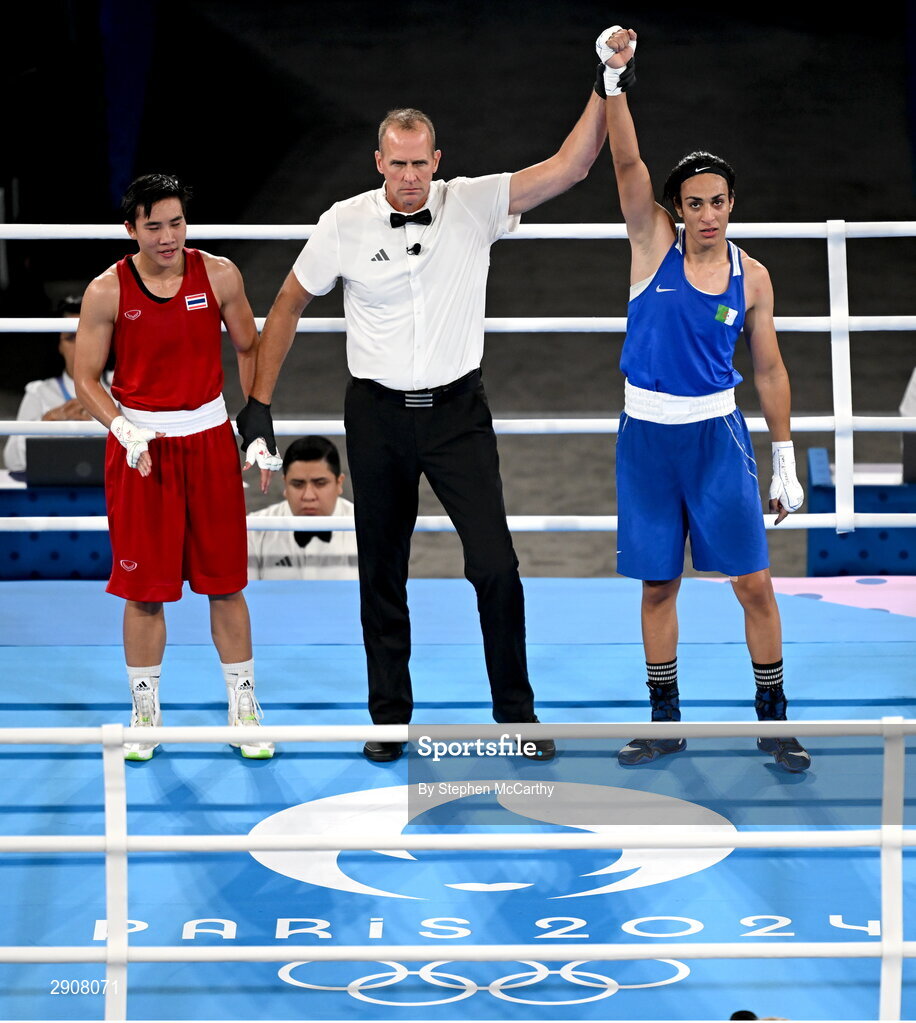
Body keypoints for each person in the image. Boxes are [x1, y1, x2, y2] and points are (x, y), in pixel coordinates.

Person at [237, 92, 608, 763]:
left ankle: (516, 714)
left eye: (421, 164)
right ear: (379, 162)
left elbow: (572, 166)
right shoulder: (344, 222)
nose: (410, 175)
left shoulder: (472, 202)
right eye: (398, 163)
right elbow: (288, 303)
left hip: (458, 413)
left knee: (496, 564)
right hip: (377, 416)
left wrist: (607, 84)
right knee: (382, 570)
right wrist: (259, 402)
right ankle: (388, 718)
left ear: (438, 163)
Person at [597, 26, 809, 772]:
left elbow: (772, 369)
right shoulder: (652, 244)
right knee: (660, 583)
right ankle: (663, 720)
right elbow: (626, 161)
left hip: (717, 437)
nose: (709, 214)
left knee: (753, 582)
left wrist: (784, 455)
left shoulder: (753, 276)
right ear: (676, 208)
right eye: (695, 203)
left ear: (731, 203)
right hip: (648, 439)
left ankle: (776, 722)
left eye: (719, 201)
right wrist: (613, 82)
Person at [73, 173, 275, 761]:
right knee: (143, 592)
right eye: (154, 226)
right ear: (130, 228)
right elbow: (86, 378)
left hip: (209, 440)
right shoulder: (106, 291)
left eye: (177, 223)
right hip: (141, 452)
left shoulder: (219, 275)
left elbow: (248, 347)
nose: (168, 237)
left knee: (226, 584)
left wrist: (255, 427)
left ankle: (244, 705)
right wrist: (122, 425)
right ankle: (144, 709)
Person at [4, 294, 112, 475]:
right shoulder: (39, 393)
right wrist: (46, 424)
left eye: (88, 335)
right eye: (71, 338)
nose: (81, 345)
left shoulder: (125, 390)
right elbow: (13, 461)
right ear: (59, 346)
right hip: (54, 498)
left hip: (112, 496)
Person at [248, 435, 358, 580]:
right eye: (298, 484)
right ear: (285, 484)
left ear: (339, 483)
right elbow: (245, 598)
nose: (308, 496)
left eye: (320, 483)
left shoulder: (368, 530)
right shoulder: (253, 530)